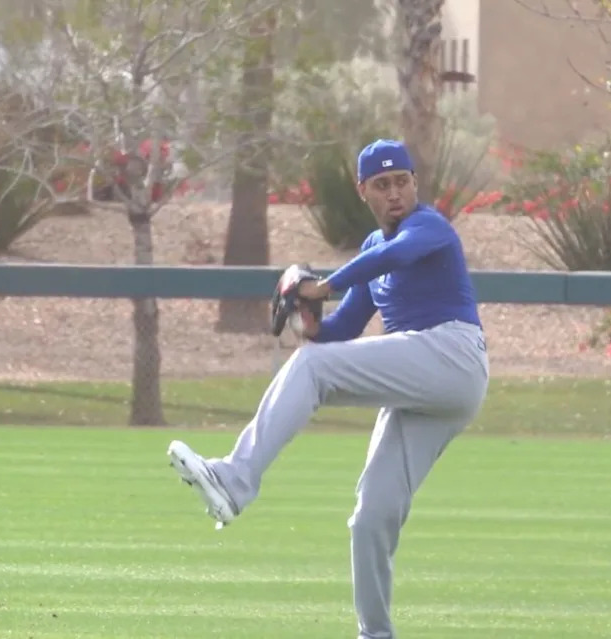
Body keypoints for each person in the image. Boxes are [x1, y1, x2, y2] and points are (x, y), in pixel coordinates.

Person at [166, 139, 490, 639]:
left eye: (402, 180)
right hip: (425, 385)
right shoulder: (369, 249)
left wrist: (320, 286)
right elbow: (342, 331)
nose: (395, 192)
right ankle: (375, 633)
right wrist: (310, 322)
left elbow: (398, 255)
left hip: (453, 355)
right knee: (370, 518)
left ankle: (234, 480)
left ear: (414, 183)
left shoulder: (428, 226)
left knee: (312, 369)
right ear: (364, 191)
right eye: (382, 185)